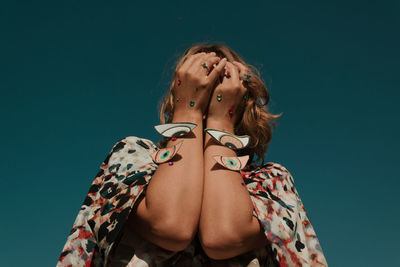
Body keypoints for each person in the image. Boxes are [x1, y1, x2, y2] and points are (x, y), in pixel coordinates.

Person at [56, 43, 328, 267]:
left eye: (222, 89)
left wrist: (222, 123)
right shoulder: (134, 155)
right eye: (197, 85)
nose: (210, 96)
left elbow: (223, 234)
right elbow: (170, 225)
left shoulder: (271, 181)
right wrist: (188, 110)